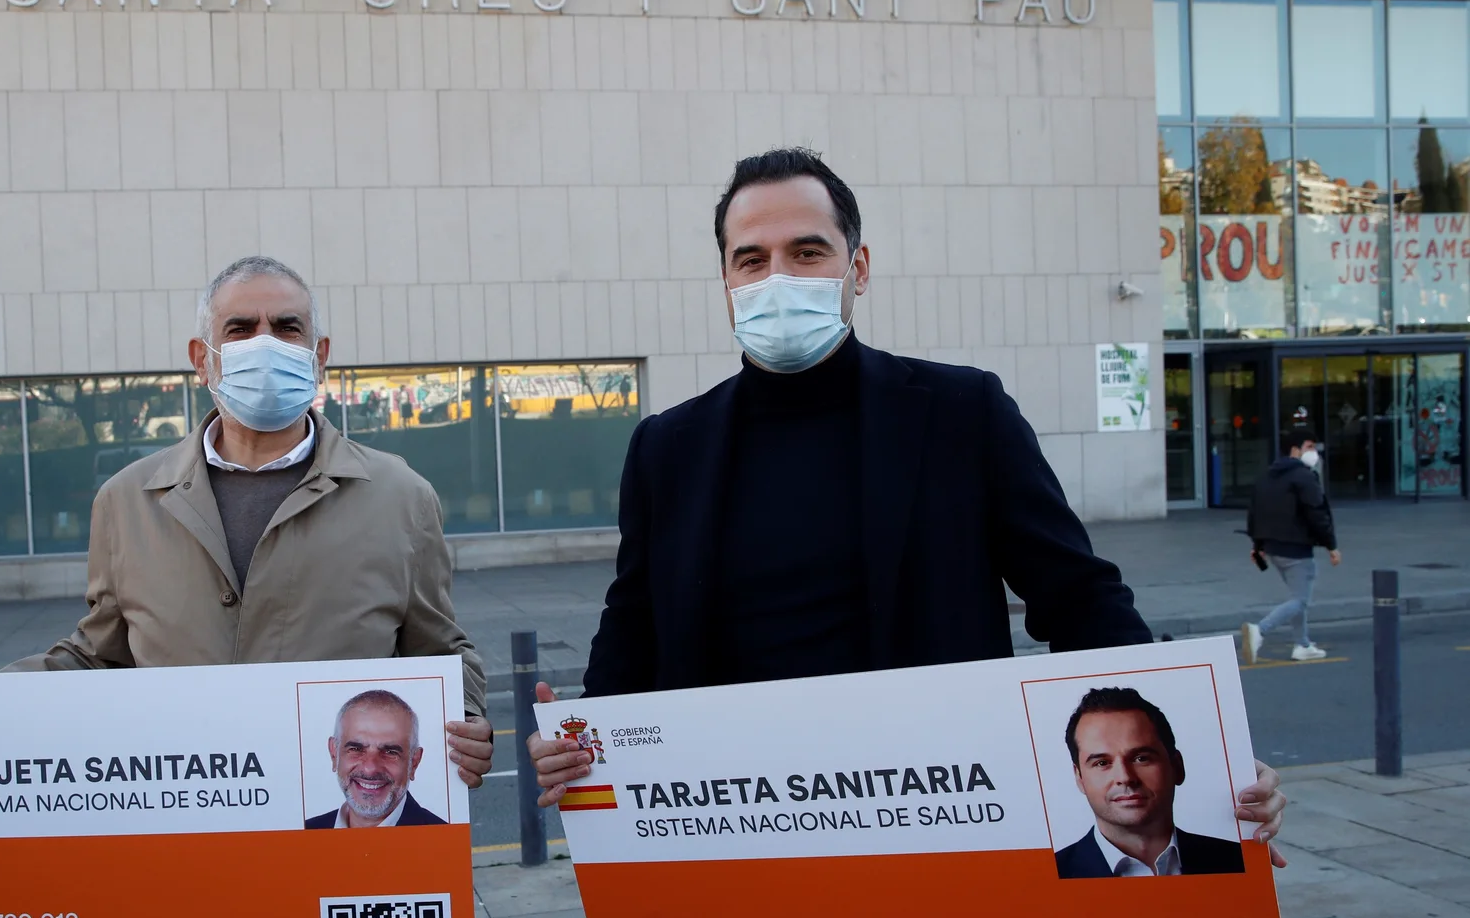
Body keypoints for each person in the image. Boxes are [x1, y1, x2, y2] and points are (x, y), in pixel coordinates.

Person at [526, 148, 1288, 863]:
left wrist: (1204, 746)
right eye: (751, 259)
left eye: (808, 251)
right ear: (725, 279)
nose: (778, 276)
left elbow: (1079, 596)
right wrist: (580, 738)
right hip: (737, 835)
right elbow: (634, 628)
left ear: (857, 267)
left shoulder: (963, 414)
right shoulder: (668, 448)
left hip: (934, 826)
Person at [0, 257, 495, 788]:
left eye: (287, 327)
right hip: (188, 832)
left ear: (319, 352)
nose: (264, 343)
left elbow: (440, 649)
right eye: (240, 328)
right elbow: (97, 659)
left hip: (336, 835)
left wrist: (467, 718)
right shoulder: (129, 501)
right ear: (202, 356)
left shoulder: (399, 495)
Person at [1054, 687, 1246, 879]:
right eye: (1102, 763)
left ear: (1177, 767)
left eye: (1141, 758)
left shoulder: (1240, 860)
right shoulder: (1049, 876)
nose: (1125, 777)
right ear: (1079, 778)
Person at [1242, 429, 1340, 665]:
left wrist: (1258, 545)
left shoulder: (1267, 475)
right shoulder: (1304, 477)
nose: (1313, 452)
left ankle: (1303, 644)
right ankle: (1259, 630)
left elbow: (1255, 512)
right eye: (1309, 447)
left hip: (1274, 549)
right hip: (1296, 548)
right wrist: (1331, 546)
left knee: (1297, 597)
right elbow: (1317, 513)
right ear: (1295, 450)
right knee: (1300, 601)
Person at [305, 689, 447, 829]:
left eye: (390, 752)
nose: (370, 768)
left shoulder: (450, 843)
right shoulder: (302, 834)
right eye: (356, 749)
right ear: (334, 754)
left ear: (414, 762)